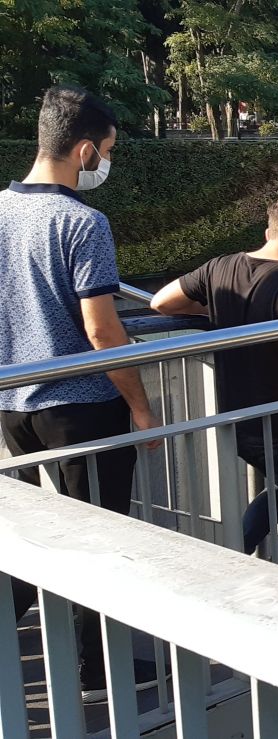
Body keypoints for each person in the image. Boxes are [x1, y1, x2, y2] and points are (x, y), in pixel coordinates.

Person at [0, 85, 162, 701]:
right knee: (99, 536)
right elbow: (102, 330)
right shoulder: (83, 222)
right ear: (86, 150)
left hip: (14, 403)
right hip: (83, 407)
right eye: (108, 152)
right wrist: (141, 407)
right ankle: (99, 671)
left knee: (38, 532)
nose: (106, 163)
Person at [152, 194, 278, 572]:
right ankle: (277, 592)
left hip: (238, 419)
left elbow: (161, 302)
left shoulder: (220, 267)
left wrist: (217, 306)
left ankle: (230, 563)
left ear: (270, 232)